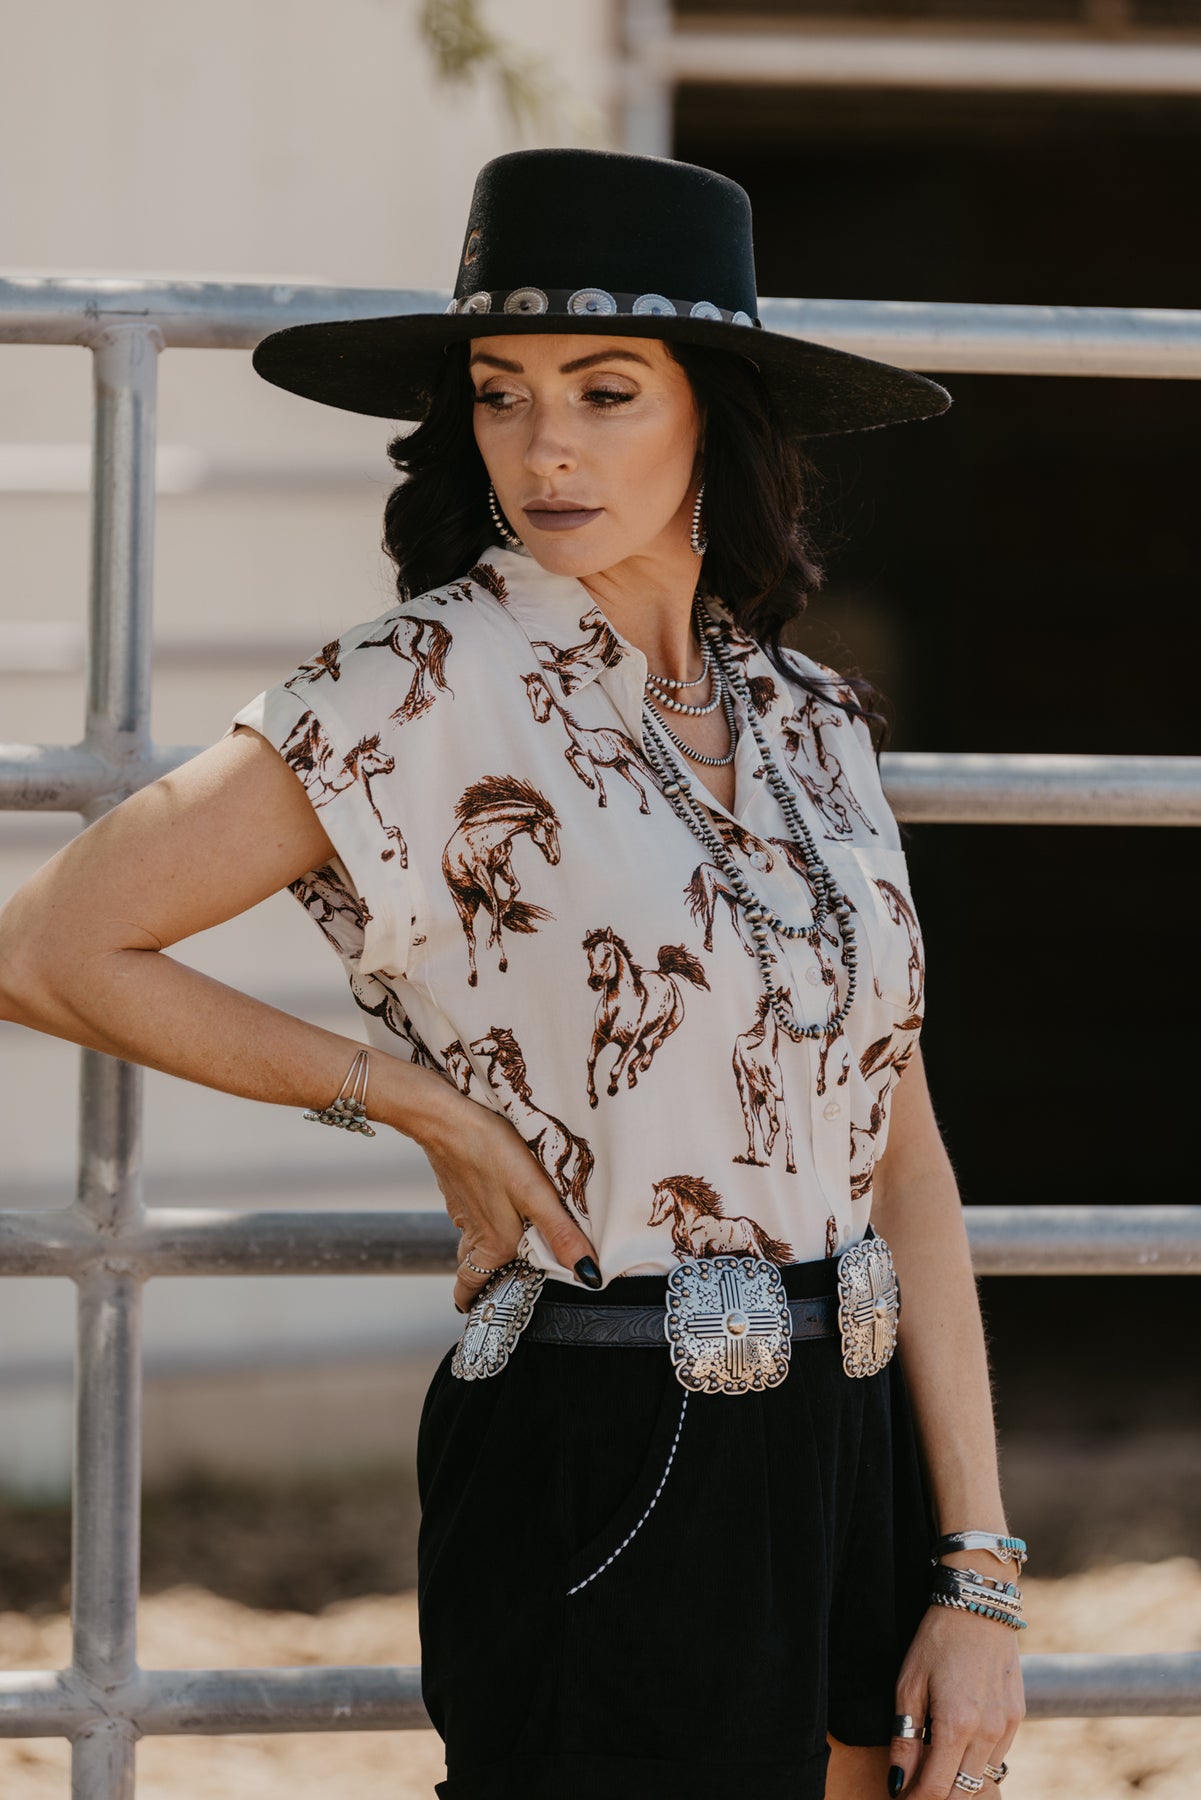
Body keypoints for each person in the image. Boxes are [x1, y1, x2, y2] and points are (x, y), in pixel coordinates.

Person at [0, 148, 1026, 1799]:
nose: (545, 446)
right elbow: (49, 946)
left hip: (858, 1440)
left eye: (604, 392)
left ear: (716, 418)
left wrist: (974, 1567)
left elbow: (900, 1153)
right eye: (500, 393)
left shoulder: (812, 718)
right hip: (608, 1430)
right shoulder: (418, 686)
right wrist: (415, 1106)